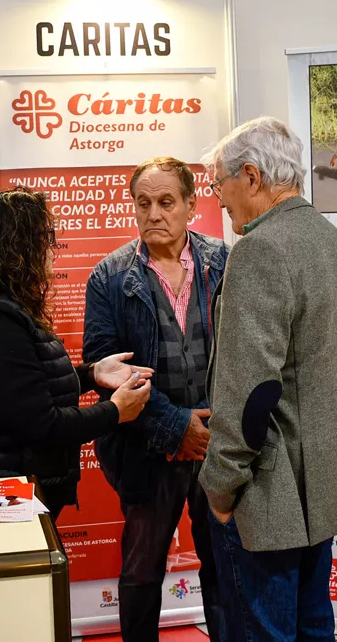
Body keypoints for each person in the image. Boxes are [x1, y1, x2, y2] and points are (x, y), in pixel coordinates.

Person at [198, 117, 337, 640]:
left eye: (219, 184)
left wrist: (220, 489)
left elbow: (251, 393)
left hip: (270, 496)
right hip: (324, 494)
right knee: (314, 625)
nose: (219, 200)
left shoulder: (260, 251)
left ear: (251, 176)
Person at [0, 189, 154, 517]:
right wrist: (115, 411)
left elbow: (18, 391)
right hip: (2, 501)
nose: (52, 248)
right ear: (16, 249)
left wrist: (91, 374)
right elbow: (41, 425)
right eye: (45, 238)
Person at [83, 156, 229, 642]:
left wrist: (208, 431)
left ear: (191, 205)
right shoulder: (109, 276)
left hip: (218, 447)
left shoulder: (222, 262)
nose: (153, 213)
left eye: (166, 202)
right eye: (143, 203)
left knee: (224, 567)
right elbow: (107, 369)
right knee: (142, 572)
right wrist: (175, 426)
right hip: (145, 450)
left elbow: (246, 354)